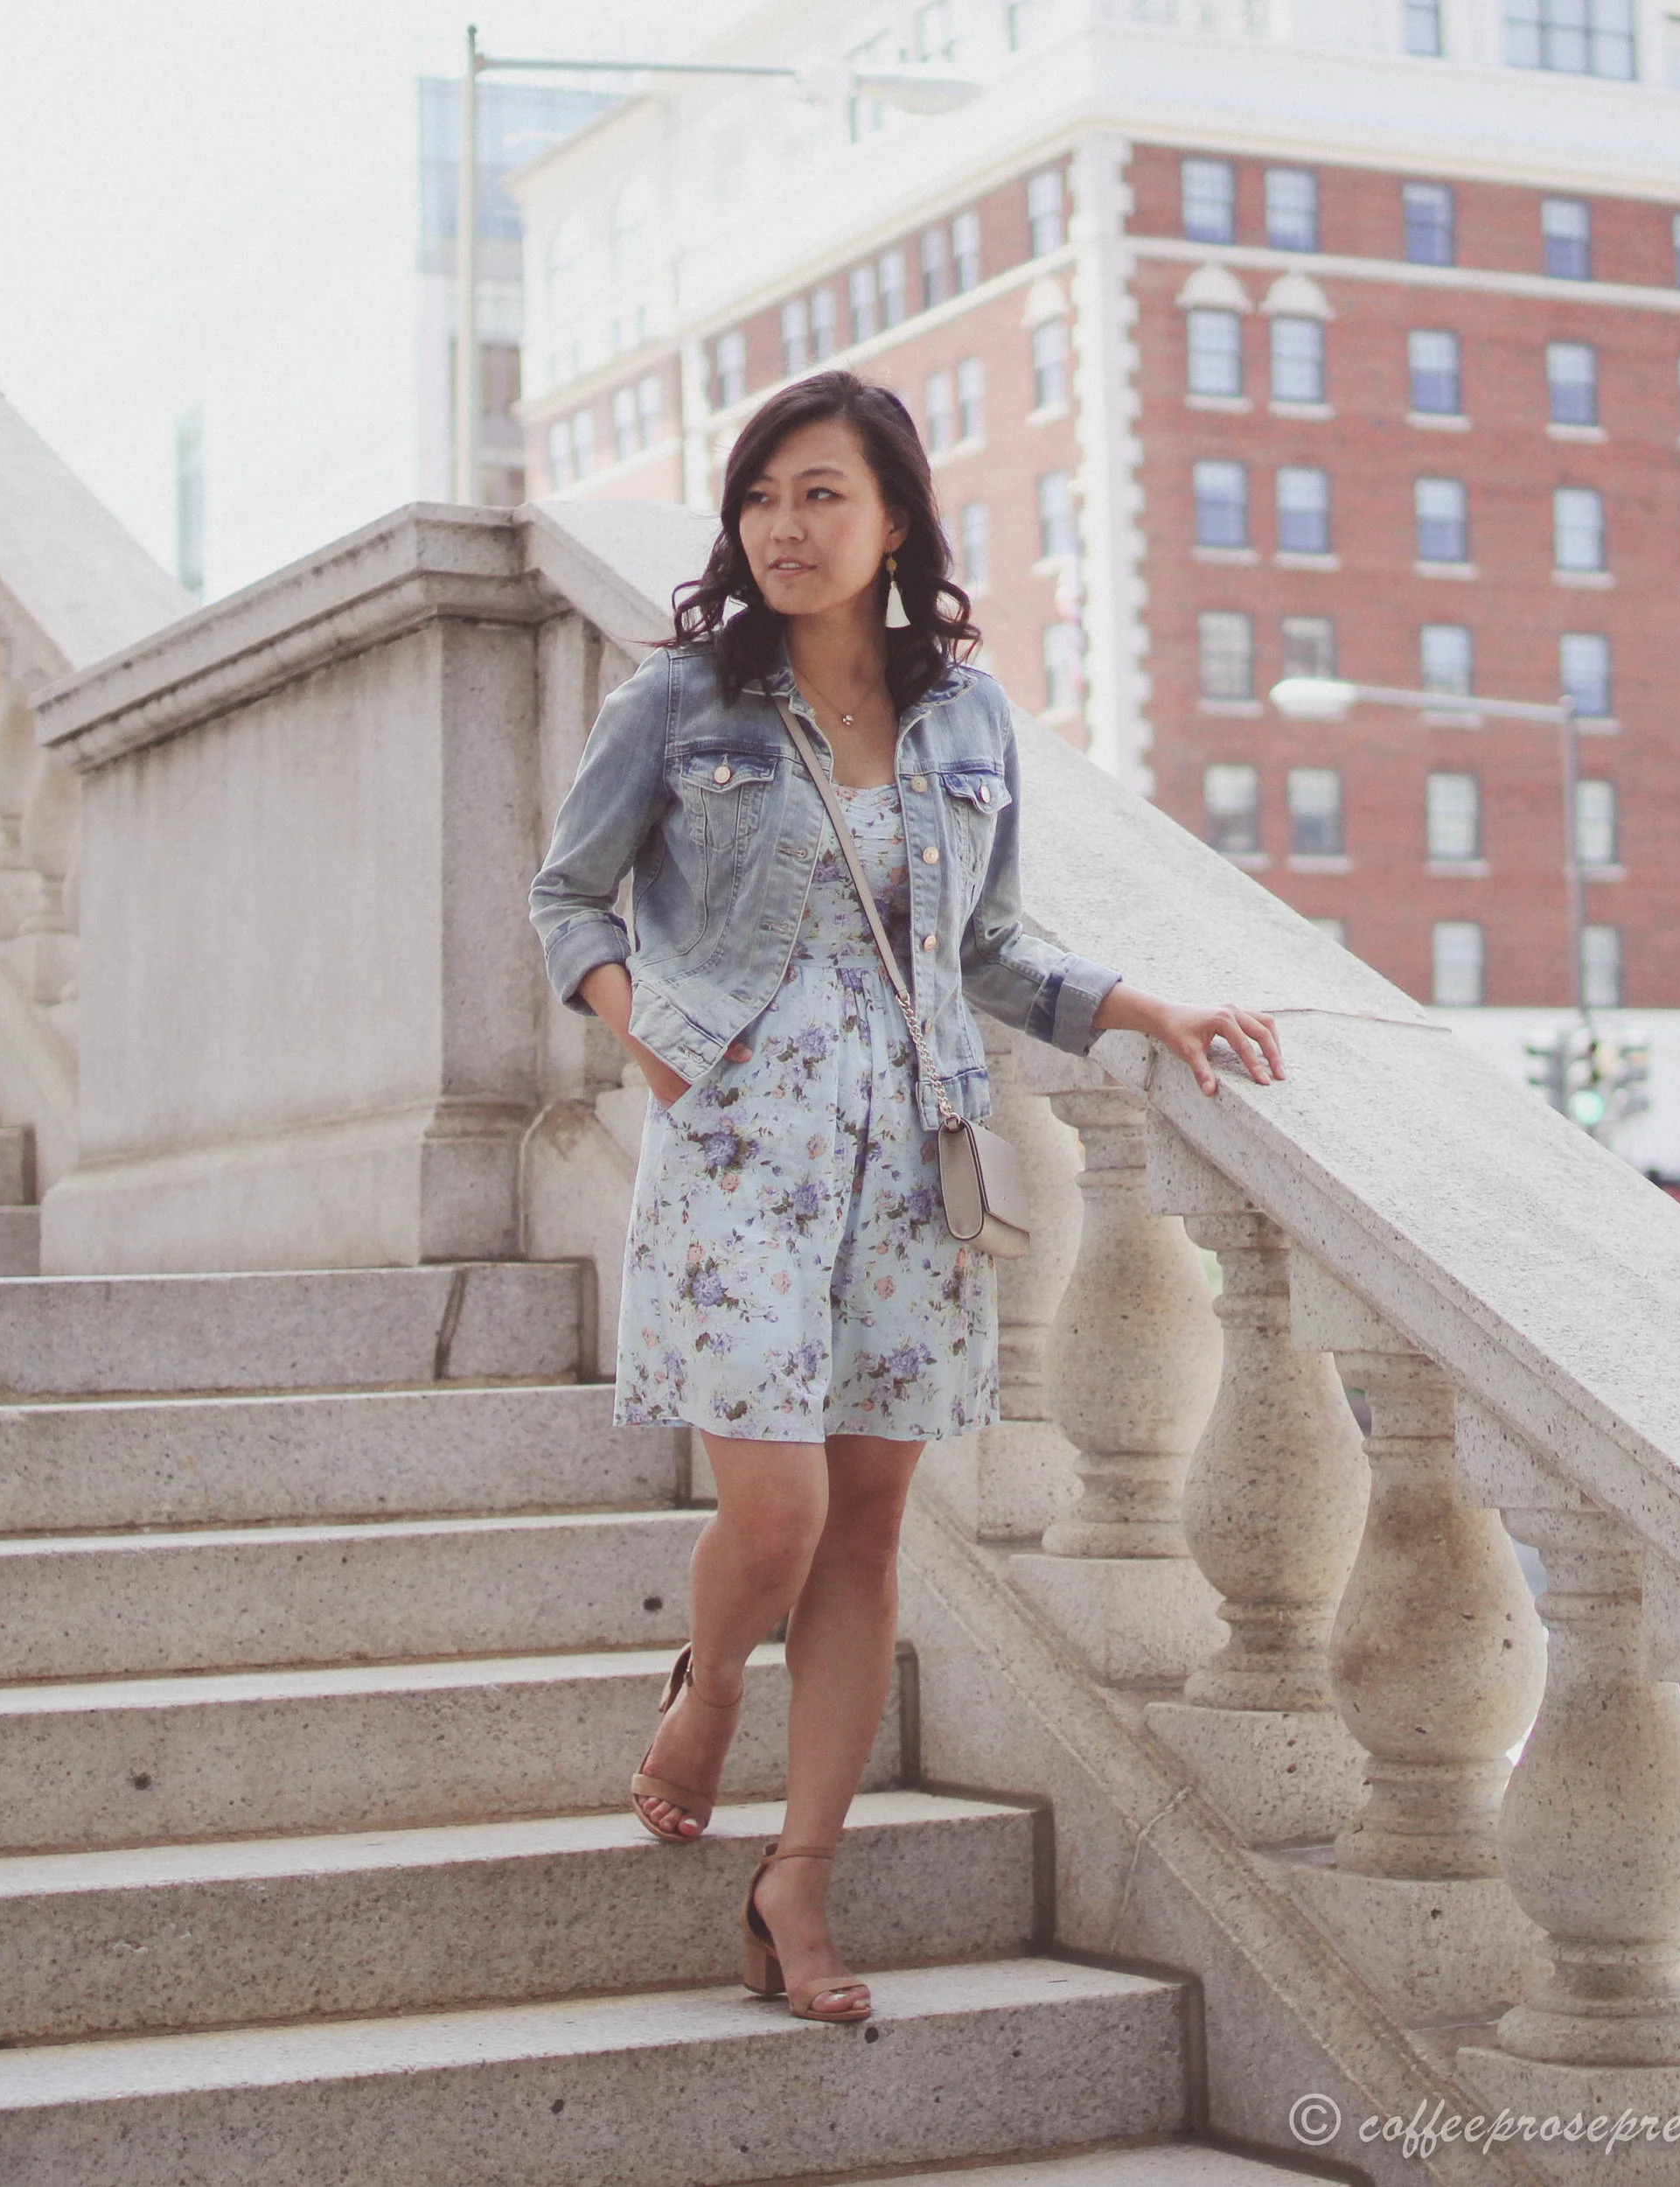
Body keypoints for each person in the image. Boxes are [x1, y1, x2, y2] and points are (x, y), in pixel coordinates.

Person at [527, 369, 1282, 2026]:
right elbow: (567, 892)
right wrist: (632, 1024)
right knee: (782, 1514)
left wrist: (1141, 1006)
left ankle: (798, 1882)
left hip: (911, 1159)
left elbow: (991, 946)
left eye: (820, 498)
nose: (783, 531)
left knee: (871, 1529)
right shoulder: (678, 705)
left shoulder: (966, 720)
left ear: (893, 524)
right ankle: (712, 1677)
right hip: (735, 1147)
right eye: (761, 499)